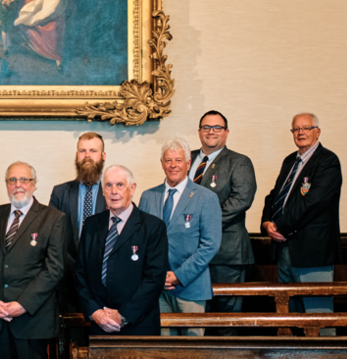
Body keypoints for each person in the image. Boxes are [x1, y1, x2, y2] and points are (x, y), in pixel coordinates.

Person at [0, 161, 68, 359]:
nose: (18, 184)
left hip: (32, 321)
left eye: (24, 179)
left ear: (34, 184)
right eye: (12, 180)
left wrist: (23, 304)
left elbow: (54, 269)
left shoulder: (53, 218)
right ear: (6, 184)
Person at [260, 112, 342, 332]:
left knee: (319, 319)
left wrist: (281, 225)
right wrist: (267, 222)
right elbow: (275, 195)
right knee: (290, 320)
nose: (301, 133)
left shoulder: (327, 161)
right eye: (296, 129)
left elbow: (315, 202)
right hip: (284, 249)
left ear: (317, 132)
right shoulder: (290, 161)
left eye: (306, 128)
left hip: (313, 251)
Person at [137, 139, 221, 336]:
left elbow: (210, 245)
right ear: (162, 163)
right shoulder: (148, 196)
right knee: (164, 349)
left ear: (188, 163)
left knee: (192, 351)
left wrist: (178, 276)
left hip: (190, 287)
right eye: (168, 160)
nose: (173, 165)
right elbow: (140, 241)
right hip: (156, 288)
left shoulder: (206, 198)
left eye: (178, 160)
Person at [76, 165, 168, 336]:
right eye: (108, 185)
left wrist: (123, 315)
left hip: (138, 325)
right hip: (99, 324)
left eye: (120, 185)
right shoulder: (91, 225)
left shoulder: (153, 227)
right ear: (103, 192)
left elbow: (154, 279)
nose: (113, 191)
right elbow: (80, 273)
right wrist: (95, 312)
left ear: (132, 188)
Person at [190, 110, 256, 331]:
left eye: (217, 127)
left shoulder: (239, 162)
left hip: (226, 254)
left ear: (226, 132)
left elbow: (241, 200)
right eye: (206, 127)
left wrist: (203, 224)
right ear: (199, 131)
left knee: (226, 323)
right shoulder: (185, 159)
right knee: (196, 320)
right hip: (190, 254)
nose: (211, 131)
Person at [48, 132, 108, 346]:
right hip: (69, 281)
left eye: (93, 151)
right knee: (73, 343)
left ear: (103, 156)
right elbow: (53, 240)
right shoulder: (60, 193)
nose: (87, 155)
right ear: (76, 155)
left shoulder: (115, 191)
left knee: (101, 344)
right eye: (83, 151)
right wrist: (77, 269)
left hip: (105, 284)